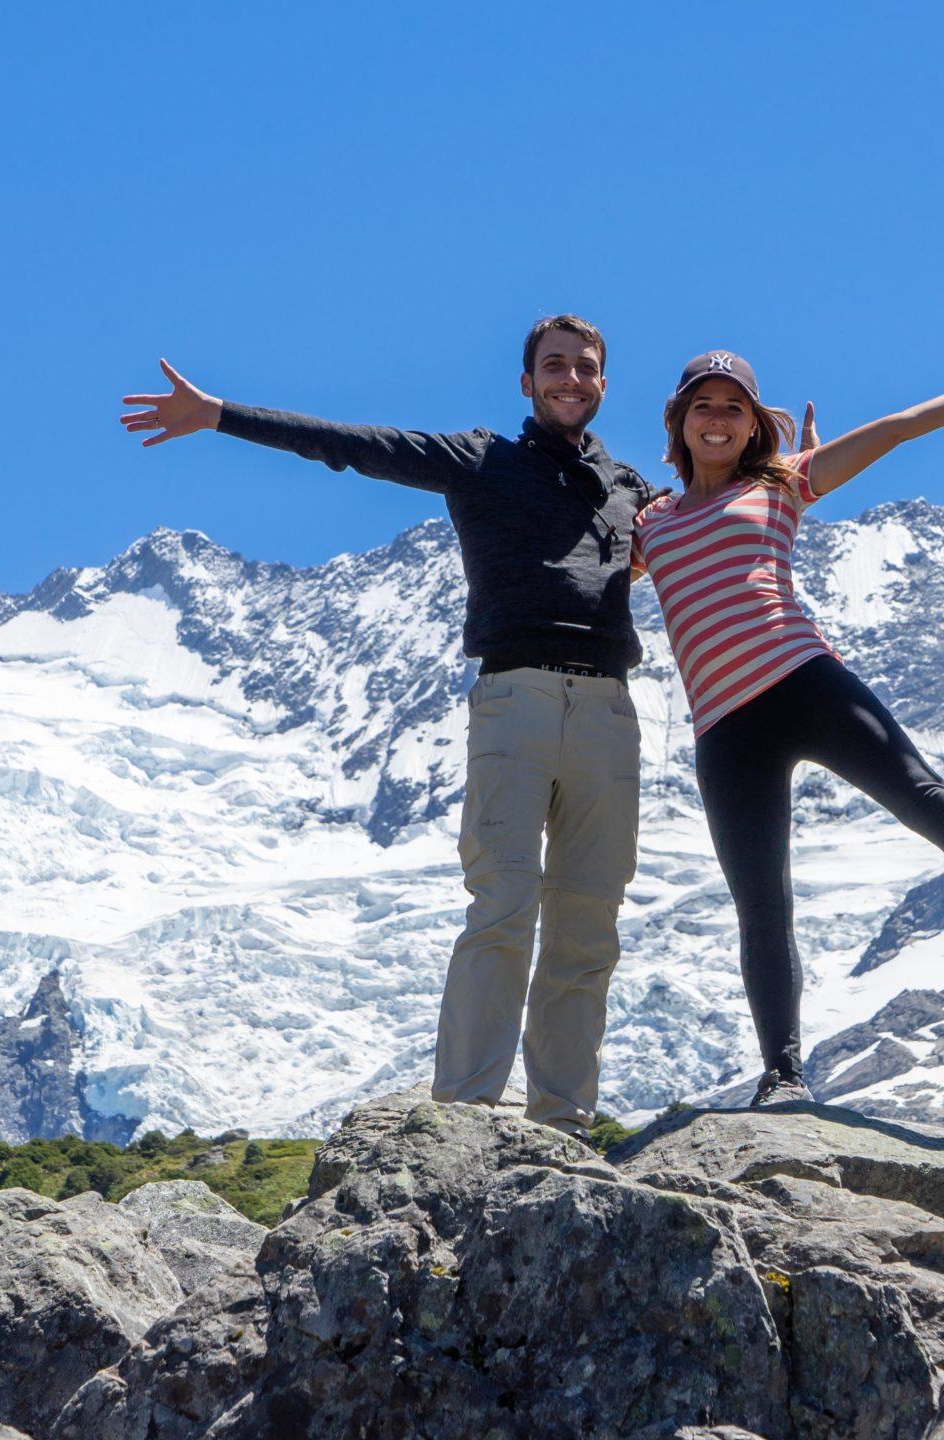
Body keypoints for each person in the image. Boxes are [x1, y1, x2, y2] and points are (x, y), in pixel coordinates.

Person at [118, 317, 652, 1136]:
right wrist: (219, 413)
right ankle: (465, 1123)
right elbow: (351, 444)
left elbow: (721, 515)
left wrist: (788, 470)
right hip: (516, 701)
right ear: (526, 382)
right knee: (503, 903)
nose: (570, 380)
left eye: (585, 369)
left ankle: (563, 1130)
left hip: (610, 712)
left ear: (604, 385)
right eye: (554, 367)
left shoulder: (629, 488)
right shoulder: (480, 461)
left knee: (589, 926)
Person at [629, 349, 944, 1107]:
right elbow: (578, 565)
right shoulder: (651, 526)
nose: (718, 419)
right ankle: (784, 1075)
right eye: (704, 405)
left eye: (734, 406)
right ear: (679, 421)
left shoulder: (783, 482)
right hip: (725, 726)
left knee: (922, 793)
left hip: (804, 680)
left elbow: (895, 430)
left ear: (754, 422)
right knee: (761, 899)